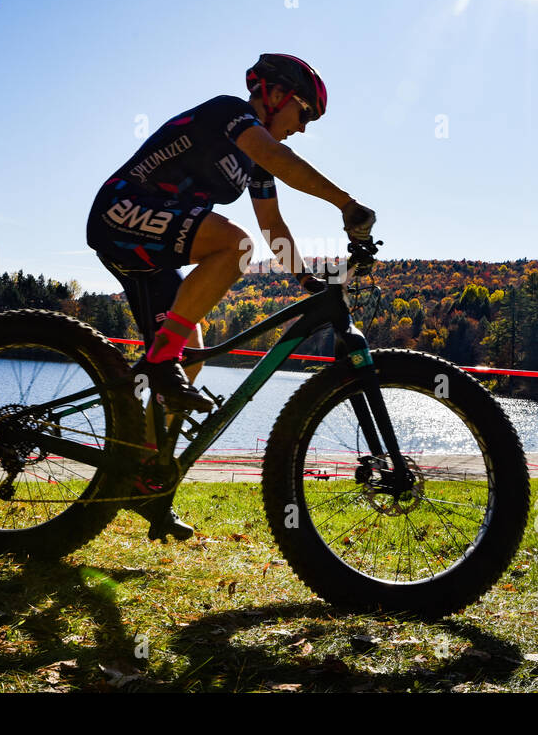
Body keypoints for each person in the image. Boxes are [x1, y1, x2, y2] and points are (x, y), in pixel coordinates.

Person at [85, 53, 376, 540]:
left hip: (151, 249)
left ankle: (143, 479)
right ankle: (159, 364)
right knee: (232, 245)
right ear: (276, 96)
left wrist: (305, 278)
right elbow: (281, 164)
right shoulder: (229, 114)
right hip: (122, 211)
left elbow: (274, 228)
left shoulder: (253, 163)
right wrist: (346, 204)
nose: (302, 129)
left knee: (190, 351)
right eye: (303, 113)